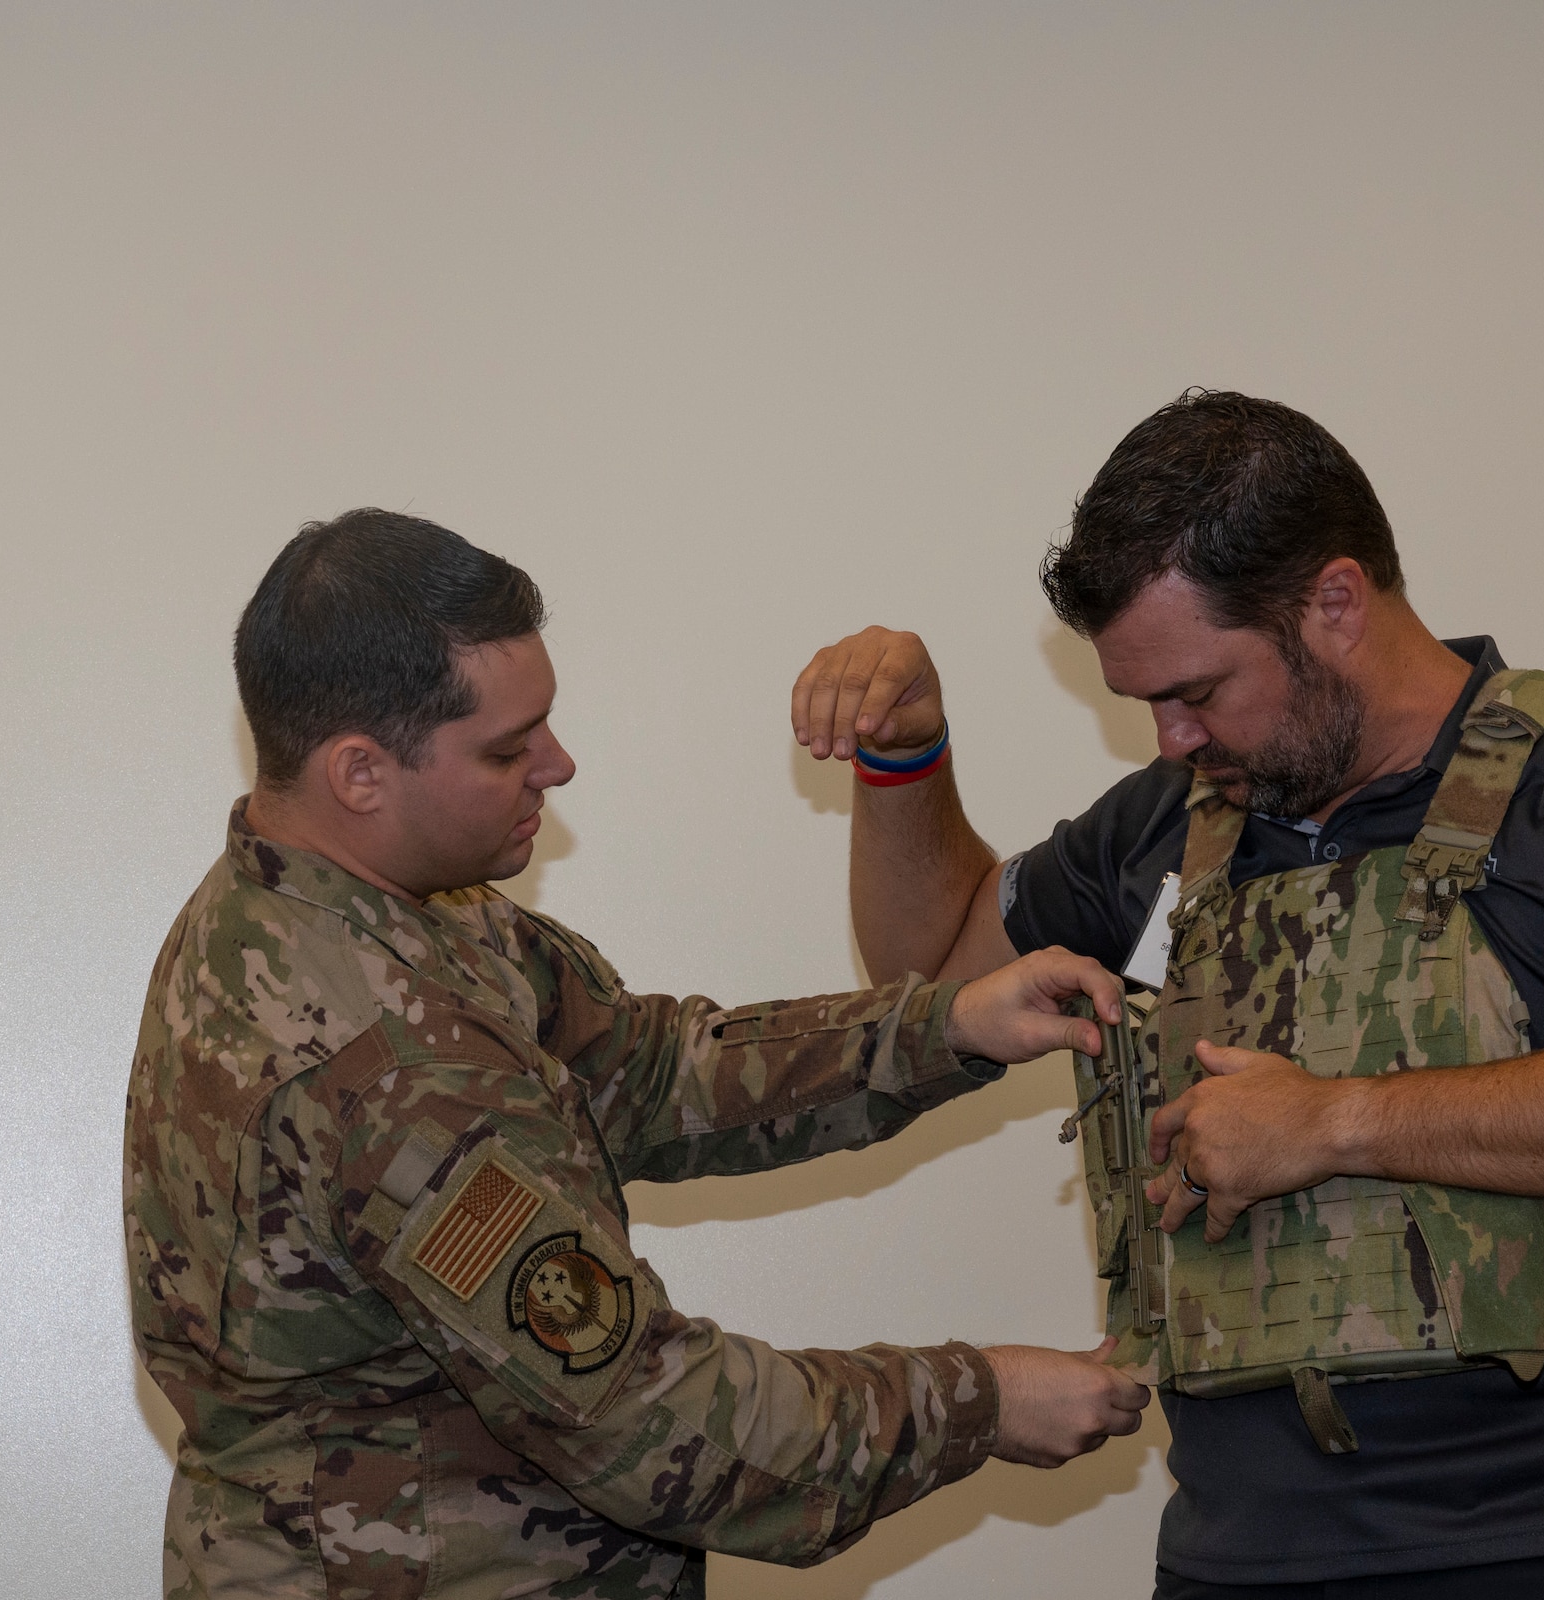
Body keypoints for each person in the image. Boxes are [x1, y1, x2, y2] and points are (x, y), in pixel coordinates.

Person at [792, 391, 1544, 1599]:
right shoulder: (1167, 825)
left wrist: (1335, 1121)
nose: (1167, 739)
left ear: (1334, 602)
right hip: (1247, 1553)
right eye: (1143, 705)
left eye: (1197, 689)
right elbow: (932, 984)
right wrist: (905, 759)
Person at [124, 509, 1149, 1600]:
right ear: (360, 772)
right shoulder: (385, 1071)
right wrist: (977, 1399)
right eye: (507, 749)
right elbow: (657, 1426)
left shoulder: (359, 920)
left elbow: (649, 1068)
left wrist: (942, 1026)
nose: (556, 766)